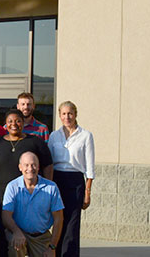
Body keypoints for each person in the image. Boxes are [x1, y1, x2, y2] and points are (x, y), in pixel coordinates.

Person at [0, 109, 52, 256]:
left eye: (18, 121)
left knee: (22, 235)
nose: (14, 124)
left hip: (29, 196)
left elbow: (48, 165)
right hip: (0, 196)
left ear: (23, 123)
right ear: (5, 124)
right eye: (10, 121)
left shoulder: (34, 142)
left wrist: (48, 188)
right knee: (1, 233)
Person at [47, 101, 94, 257]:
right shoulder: (54, 136)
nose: (67, 117)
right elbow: (50, 162)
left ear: (75, 114)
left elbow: (89, 167)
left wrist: (87, 192)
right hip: (57, 180)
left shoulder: (86, 136)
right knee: (58, 220)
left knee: (72, 223)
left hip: (75, 181)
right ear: (60, 115)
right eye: (64, 114)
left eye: (70, 113)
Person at [2, 152, 64, 257]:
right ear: (20, 167)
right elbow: (6, 215)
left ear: (38, 167)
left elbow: (58, 218)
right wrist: (16, 231)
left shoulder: (51, 187)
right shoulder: (12, 187)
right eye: (26, 165)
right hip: (19, 232)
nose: (30, 168)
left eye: (33, 164)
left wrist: (52, 247)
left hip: (41, 236)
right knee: (15, 246)